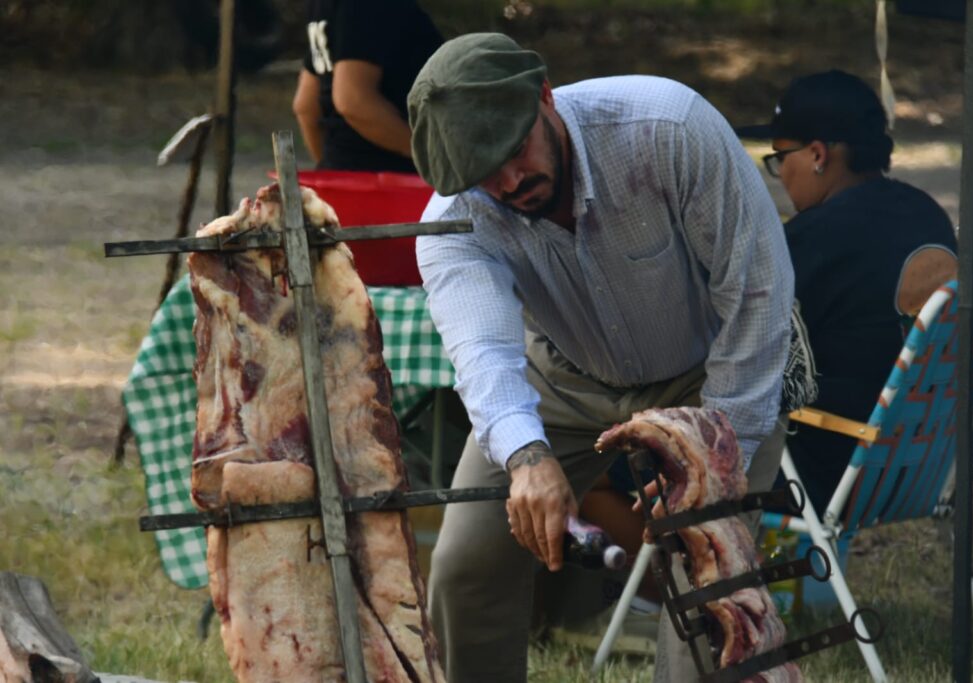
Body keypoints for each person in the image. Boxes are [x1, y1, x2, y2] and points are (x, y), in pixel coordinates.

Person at [406, 33, 795, 682]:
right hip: (562, 375)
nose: (509, 181)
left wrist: (713, 456)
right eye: (484, 173)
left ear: (545, 96)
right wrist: (527, 458)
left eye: (515, 151)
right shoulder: (453, 218)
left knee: (704, 572)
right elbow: (484, 355)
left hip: (709, 376)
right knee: (466, 562)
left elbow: (757, 294)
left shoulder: (669, 129)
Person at [735, 69, 958, 513]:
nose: (781, 174)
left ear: (818, 154)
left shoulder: (815, 237)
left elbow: (745, 353)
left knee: (614, 464)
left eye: (780, 158)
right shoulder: (926, 211)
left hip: (826, 469)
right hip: (916, 466)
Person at [292, 0, 443, 171]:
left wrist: (331, 169)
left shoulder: (324, 5)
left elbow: (306, 105)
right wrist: (436, 158)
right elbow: (353, 102)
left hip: (343, 173)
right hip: (394, 176)